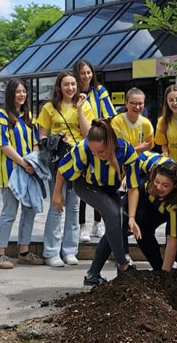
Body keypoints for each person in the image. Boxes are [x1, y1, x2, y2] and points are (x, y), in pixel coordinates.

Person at [53, 119, 137, 286]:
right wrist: (57, 193)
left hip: (110, 188)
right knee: (113, 215)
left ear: (111, 143)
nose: (97, 155)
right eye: (93, 151)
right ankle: (123, 265)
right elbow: (62, 169)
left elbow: (134, 187)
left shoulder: (126, 149)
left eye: (101, 151)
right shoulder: (83, 149)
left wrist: (132, 217)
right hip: (85, 185)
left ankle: (92, 275)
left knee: (116, 223)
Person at [123, 153, 177, 273]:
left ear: (176, 185)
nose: (159, 187)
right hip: (149, 204)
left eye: (165, 185)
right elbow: (134, 159)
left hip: (171, 212)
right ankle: (157, 268)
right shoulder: (152, 163)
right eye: (156, 181)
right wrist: (128, 177)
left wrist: (165, 275)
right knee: (139, 228)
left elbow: (172, 241)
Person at [0, 80, 43, 270]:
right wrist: (23, 162)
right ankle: (0, 253)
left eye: (24, 91)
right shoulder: (1, 115)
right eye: (18, 91)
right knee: (9, 212)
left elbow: (36, 142)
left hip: (28, 171)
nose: (21, 95)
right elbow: (3, 144)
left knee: (29, 210)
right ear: (10, 94)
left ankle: (24, 252)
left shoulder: (29, 117)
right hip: (10, 172)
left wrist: (33, 161)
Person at [37, 70, 85, 268]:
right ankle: (51, 251)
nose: (70, 88)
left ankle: (70, 250)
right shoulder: (49, 107)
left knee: (74, 206)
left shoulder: (84, 105)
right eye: (66, 84)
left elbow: (88, 133)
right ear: (59, 86)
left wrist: (80, 110)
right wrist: (54, 140)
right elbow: (41, 136)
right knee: (57, 204)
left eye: (73, 84)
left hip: (78, 159)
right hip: (56, 160)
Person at [74, 58, 116, 242]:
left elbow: (110, 114)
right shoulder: (75, 93)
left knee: (99, 181)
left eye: (88, 72)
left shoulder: (99, 91)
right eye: (82, 73)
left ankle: (98, 223)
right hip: (81, 142)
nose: (86, 76)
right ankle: (82, 225)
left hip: (99, 141)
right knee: (84, 183)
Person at [111, 87, 155, 153]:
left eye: (140, 103)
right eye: (133, 103)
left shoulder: (146, 123)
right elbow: (117, 149)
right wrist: (138, 148)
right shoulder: (117, 121)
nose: (137, 107)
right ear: (126, 103)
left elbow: (148, 146)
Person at [154, 84, 177, 162]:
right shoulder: (162, 121)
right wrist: (165, 152)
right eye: (171, 100)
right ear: (167, 102)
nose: (175, 103)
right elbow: (164, 144)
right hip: (173, 164)